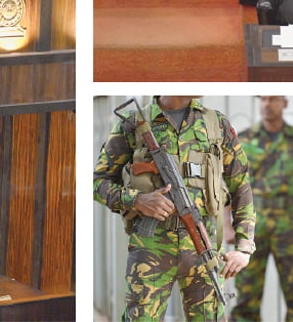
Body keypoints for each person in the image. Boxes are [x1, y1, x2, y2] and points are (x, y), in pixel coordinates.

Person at [93, 96, 256, 321]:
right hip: (151, 246)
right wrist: (137, 200)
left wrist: (244, 246)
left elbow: (241, 185)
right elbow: (98, 182)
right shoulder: (134, 123)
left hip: (203, 247)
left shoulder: (216, 123)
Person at [228, 96, 293, 322]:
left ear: (284, 102)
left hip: (288, 222)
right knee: (247, 292)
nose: (267, 104)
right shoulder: (244, 139)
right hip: (251, 224)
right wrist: (228, 226)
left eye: (273, 99)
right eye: (263, 99)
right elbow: (227, 183)